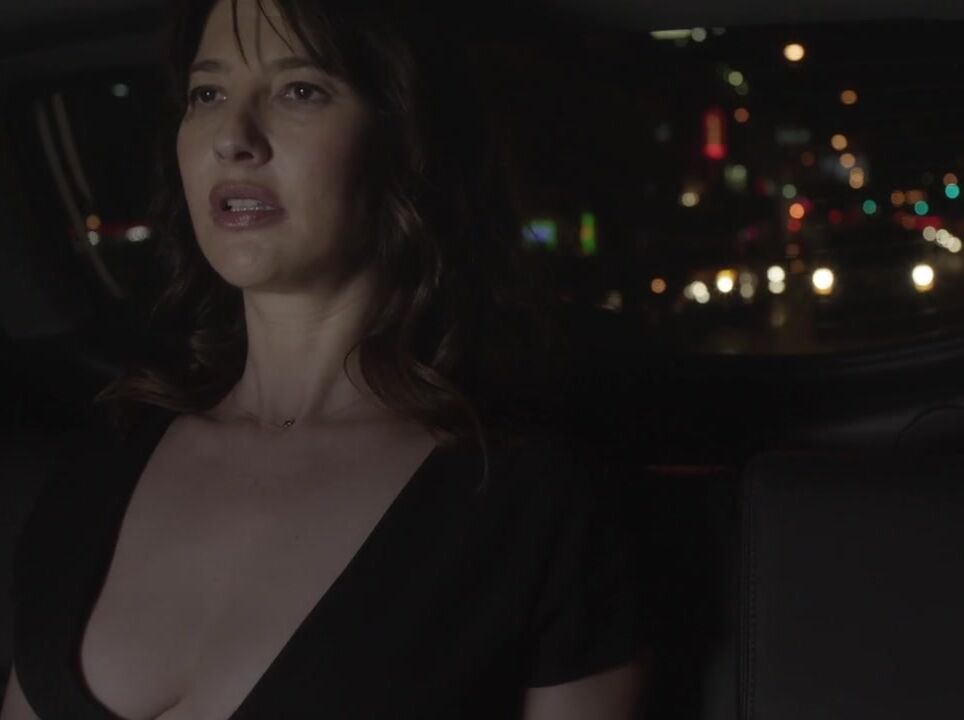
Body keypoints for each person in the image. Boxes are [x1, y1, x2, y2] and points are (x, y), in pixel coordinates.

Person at [0, 0, 647, 717]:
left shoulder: (526, 498)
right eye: (207, 94)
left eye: (299, 90)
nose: (233, 138)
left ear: (405, 137)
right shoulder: (108, 451)